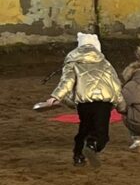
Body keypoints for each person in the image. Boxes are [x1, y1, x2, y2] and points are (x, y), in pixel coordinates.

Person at [43, 33, 126, 167]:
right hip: (104, 103)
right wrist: (122, 106)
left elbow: (67, 82)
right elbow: (115, 85)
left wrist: (57, 96)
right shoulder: (106, 63)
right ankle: (92, 145)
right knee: (102, 134)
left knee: (84, 128)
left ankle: (78, 156)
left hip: (84, 103)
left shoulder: (72, 62)